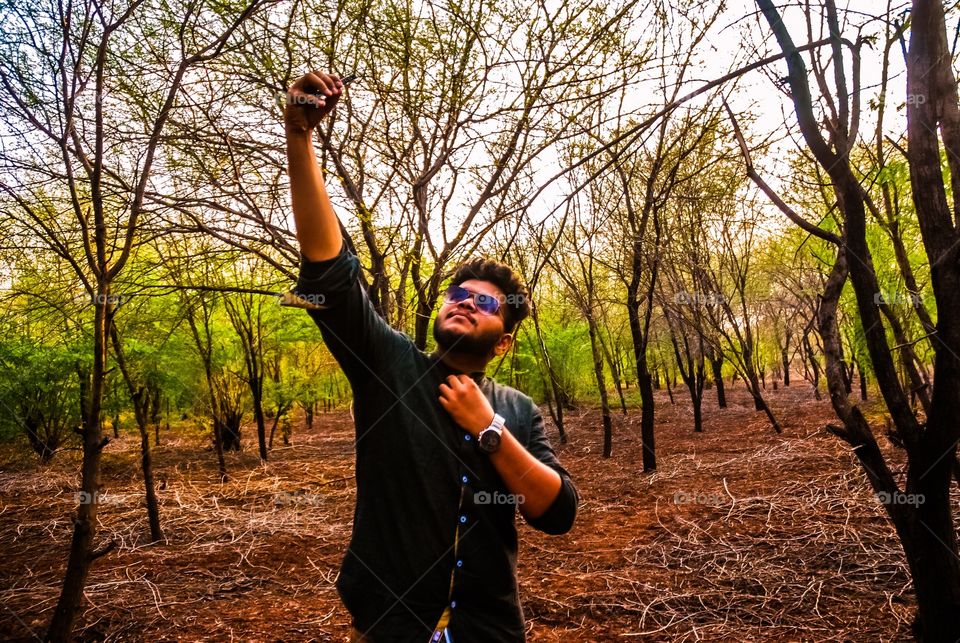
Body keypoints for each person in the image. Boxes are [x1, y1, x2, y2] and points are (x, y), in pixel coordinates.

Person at [284, 71, 578, 643]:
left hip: (490, 629)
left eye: (485, 304)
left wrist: (488, 430)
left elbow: (556, 511)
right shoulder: (388, 365)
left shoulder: (516, 410)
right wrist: (300, 136)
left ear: (504, 339)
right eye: (458, 295)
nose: (466, 304)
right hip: (394, 626)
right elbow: (334, 274)